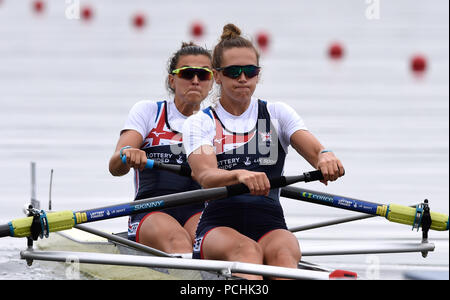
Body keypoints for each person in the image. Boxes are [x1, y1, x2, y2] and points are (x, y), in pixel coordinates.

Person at [182, 24, 345, 279]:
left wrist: (326, 156)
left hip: (270, 224)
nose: (243, 78)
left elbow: (315, 150)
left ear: (258, 74)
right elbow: (205, 175)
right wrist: (239, 175)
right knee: (247, 252)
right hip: (217, 228)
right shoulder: (200, 122)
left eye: (250, 71)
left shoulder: (278, 114)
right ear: (217, 76)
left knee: (285, 252)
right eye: (234, 72)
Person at [109, 42, 214, 254]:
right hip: (149, 211)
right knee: (179, 241)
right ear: (172, 80)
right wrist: (127, 155)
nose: (195, 80)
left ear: (211, 82)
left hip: (197, 211)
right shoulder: (148, 112)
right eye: (187, 73)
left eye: (203, 75)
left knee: (205, 243)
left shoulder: (215, 122)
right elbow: (114, 166)